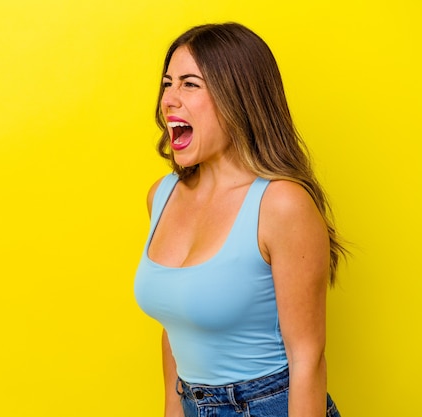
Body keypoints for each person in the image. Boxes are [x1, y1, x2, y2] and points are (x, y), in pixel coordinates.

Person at [134, 22, 346, 417]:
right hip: (193, 404)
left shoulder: (281, 204)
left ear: (238, 97)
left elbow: (308, 358)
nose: (169, 100)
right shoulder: (161, 196)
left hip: (270, 406)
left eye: (190, 84)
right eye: (168, 83)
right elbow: (175, 325)